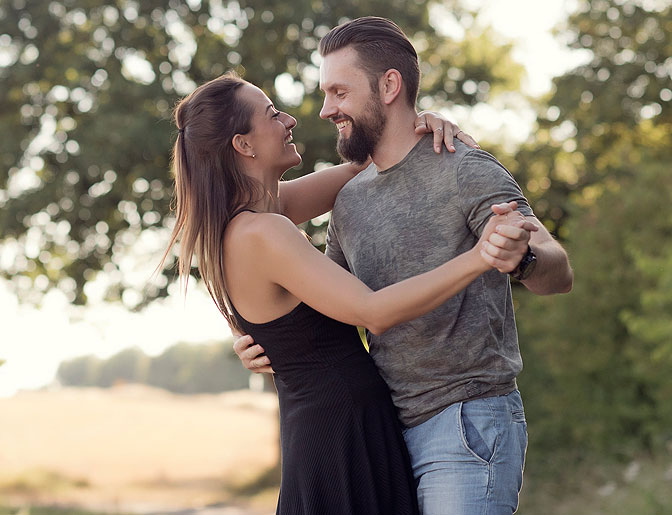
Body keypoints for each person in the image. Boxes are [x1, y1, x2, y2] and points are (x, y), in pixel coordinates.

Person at [234, 17, 574, 514]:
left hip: (465, 423)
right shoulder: (348, 200)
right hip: (385, 434)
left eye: (338, 92)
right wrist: (266, 337)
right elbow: (337, 309)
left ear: (389, 85)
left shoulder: (464, 167)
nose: (326, 109)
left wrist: (519, 257)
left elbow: (558, 272)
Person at [162, 72, 539, 514]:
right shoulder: (262, 231)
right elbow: (373, 311)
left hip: (337, 427)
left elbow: (368, 163)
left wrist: (419, 126)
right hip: (342, 436)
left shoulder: (252, 217)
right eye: (271, 114)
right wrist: (481, 256)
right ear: (244, 145)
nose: (289, 120)